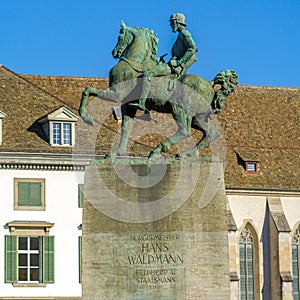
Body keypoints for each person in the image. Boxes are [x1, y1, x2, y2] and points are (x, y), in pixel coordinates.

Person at [129, 13, 198, 111]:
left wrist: (179, 62)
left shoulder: (184, 34)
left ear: (177, 22)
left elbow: (192, 48)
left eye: (172, 23)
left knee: (148, 74)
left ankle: (141, 102)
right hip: (172, 64)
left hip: (174, 67)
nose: (171, 25)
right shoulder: (180, 35)